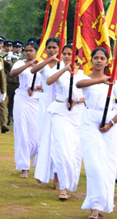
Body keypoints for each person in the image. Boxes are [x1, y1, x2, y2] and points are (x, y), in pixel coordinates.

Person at [77, 47, 117, 219]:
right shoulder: (85, 79)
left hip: (108, 124)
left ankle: (102, 204)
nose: (99, 60)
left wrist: (111, 123)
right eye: (96, 57)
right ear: (91, 60)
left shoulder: (113, 83)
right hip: (90, 121)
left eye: (102, 58)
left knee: (107, 165)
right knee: (93, 165)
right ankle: (94, 208)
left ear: (107, 61)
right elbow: (79, 85)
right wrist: (100, 80)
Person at [46, 43, 85, 201]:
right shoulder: (57, 70)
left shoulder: (82, 75)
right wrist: (64, 69)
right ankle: (63, 187)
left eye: (70, 54)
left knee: (73, 152)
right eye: (65, 53)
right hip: (60, 112)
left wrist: (77, 100)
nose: (67, 56)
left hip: (77, 115)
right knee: (62, 149)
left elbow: (88, 96)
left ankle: (70, 182)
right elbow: (49, 81)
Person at [32, 39, 60, 188]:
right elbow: (33, 70)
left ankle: (57, 175)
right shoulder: (43, 64)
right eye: (49, 47)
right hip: (45, 102)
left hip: (59, 102)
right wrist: (48, 60)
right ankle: (42, 171)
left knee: (57, 138)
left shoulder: (63, 64)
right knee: (44, 136)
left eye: (54, 47)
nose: (51, 50)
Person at [9, 41, 40, 179]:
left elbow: (48, 82)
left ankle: (37, 164)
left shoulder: (42, 64)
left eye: (31, 50)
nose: (28, 53)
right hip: (22, 98)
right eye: (26, 50)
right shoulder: (20, 63)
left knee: (36, 132)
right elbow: (12, 74)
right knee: (22, 131)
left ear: (36, 51)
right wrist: (28, 64)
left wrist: (37, 88)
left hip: (37, 99)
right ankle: (24, 167)